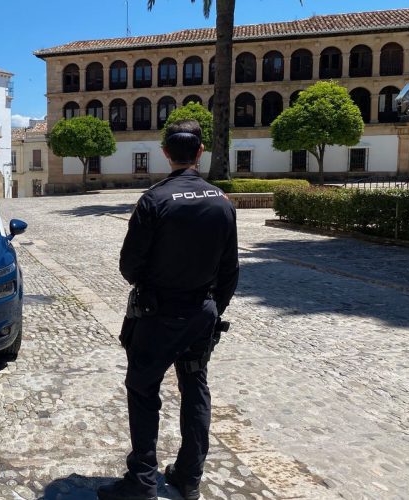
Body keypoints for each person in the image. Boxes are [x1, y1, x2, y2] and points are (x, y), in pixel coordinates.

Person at [98, 120, 239, 500]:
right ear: (199, 153)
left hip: (157, 316)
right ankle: (189, 477)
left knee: (143, 391)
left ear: (165, 154)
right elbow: (230, 269)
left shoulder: (154, 201)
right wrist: (212, 308)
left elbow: (130, 266)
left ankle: (142, 481)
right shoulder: (222, 202)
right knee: (195, 388)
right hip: (201, 313)